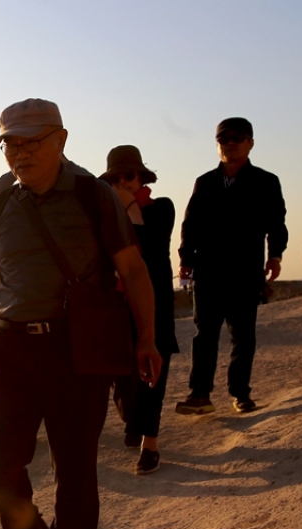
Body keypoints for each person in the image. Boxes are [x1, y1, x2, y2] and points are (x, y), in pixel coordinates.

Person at [0, 99, 160, 529]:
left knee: (75, 467)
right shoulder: (1, 205)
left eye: (32, 142)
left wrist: (146, 338)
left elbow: (134, 270)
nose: (20, 153)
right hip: (11, 348)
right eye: (11, 143)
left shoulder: (93, 195)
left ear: (62, 139)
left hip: (76, 348)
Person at [176, 117, 288, 416]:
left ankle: (241, 394)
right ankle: (199, 395)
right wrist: (186, 260)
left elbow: (277, 223)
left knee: (243, 335)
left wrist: (275, 255)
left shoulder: (266, 181)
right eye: (224, 139)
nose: (230, 143)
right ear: (217, 145)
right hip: (208, 270)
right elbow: (191, 224)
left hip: (245, 270)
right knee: (205, 335)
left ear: (250, 143)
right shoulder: (206, 182)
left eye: (237, 138)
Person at [102, 146, 179, 476]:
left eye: (129, 175)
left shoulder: (161, 208)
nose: (123, 182)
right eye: (116, 178)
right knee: (122, 374)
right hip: (118, 307)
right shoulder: (106, 216)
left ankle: (151, 443)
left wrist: (129, 206)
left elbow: (150, 246)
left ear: (141, 177)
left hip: (156, 301)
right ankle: (133, 419)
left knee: (153, 373)